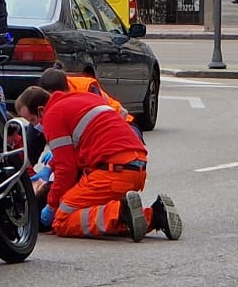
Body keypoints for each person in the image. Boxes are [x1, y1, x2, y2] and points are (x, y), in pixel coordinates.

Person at [16, 83, 180, 241]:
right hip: (135, 167)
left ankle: (125, 213)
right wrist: (51, 167)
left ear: (40, 110)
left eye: (31, 120)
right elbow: (83, 144)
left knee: (62, 219)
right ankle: (156, 214)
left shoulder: (52, 116)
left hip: (112, 172)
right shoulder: (82, 99)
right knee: (88, 211)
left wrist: (51, 206)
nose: (34, 126)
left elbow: (66, 169)